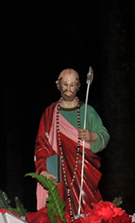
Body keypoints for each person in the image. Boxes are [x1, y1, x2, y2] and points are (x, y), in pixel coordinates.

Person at [34, 67, 110, 213]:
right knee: (58, 213)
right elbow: (41, 144)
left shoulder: (88, 111)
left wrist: (92, 136)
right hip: (57, 172)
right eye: (65, 84)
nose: (68, 89)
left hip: (83, 174)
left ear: (78, 86)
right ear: (58, 85)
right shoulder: (50, 113)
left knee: (89, 212)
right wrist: (42, 169)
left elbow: (104, 135)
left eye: (72, 85)